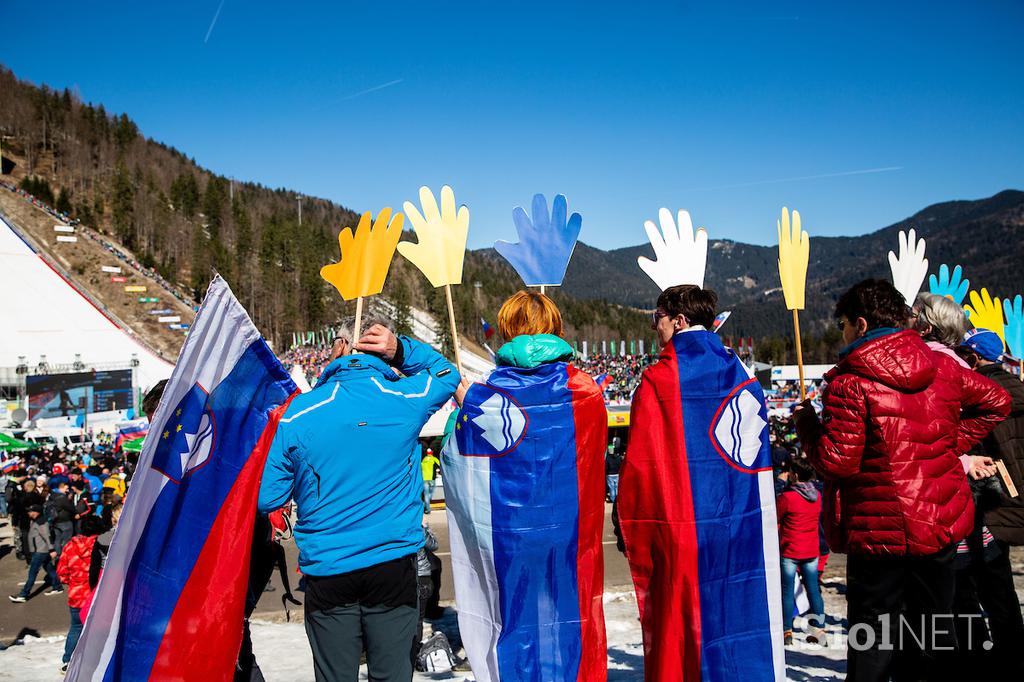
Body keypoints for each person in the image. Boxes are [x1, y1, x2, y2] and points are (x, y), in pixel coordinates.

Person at [793, 279, 1010, 681]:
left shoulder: (850, 382)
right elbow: (998, 401)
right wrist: (946, 446)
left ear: (860, 324)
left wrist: (806, 424)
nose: (841, 333)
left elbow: (836, 461)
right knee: (930, 636)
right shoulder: (943, 365)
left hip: (879, 535)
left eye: (842, 325)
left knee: (872, 642)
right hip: (938, 524)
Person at [259, 322, 459, 682]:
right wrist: (399, 349)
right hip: (392, 565)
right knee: (392, 674)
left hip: (328, 570)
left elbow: (269, 496)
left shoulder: (300, 411)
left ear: (338, 349)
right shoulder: (405, 399)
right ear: (376, 352)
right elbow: (446, 373)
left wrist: (325, 382)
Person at [616, 284, 782, 682]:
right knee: (730, 620)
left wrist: (628, 523)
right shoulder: (744, 375)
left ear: (679, 320)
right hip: (737, 525)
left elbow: (640, 463)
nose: (655, 327)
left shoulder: (659, 378)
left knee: (683, 631)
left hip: (682, 530)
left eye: (657, 318)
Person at [442, 290, 608, 681]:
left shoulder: (487, 393)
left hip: (509, 538)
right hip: (569, 534)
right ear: (555, 327)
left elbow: (457, 456)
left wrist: (465, 413)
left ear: (506, 330)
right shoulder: (585, 390)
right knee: (571, 621)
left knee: (511, 626)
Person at [950, 328, 1024, 676]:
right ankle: (1012, 653)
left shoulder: (981, 399)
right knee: (1001, 588)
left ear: (975, 358)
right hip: (1013, 501)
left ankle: (979, 658)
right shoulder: (1019, 389)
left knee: (972, 582)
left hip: (987, 501)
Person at [776, 456, 826, 646]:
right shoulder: (817, 496)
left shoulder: (787, 498)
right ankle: (819, 628)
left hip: (790, 550)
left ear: (795, 475)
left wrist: (779, 484)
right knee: (814, 590)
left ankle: (786, 630)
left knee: (787, 592)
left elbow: (775, 516)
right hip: (811, 550)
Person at [56, 515, 105, 672]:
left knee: (76, 628)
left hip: (76, 596)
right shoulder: (102, 545)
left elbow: (62, 573)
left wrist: (73, 582)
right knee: (98, 630)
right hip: (95, 595)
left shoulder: (70, 546)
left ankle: (68, 660)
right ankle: (95, 660)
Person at [9, 504, 63, 601]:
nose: (28, 512)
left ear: (36, 512)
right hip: (41, 550)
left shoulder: (41, 522)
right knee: (50, 569)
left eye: (30, 511)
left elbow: (47, 536)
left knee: (32, 573)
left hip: (40, 552)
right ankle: (58, 587)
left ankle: (23, 595)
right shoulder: (36, 520)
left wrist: (52, 549)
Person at [45, 480, 77, 558]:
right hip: (64, 520)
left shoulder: (52, 496)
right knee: (66, 539)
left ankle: (58, 554)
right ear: (61, 488)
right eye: (66, 488)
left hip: (55, 520)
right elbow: (71, 508)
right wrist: (75, 511)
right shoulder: (62, 497)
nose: (67, 490)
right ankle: (65, 555)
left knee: (57, 538)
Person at [420, 448, 439, 514]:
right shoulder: (434, 459)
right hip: (431, 480)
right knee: (430, 494)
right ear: (432, 453)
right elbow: (440, 466)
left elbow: (420, 469)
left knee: (426, 495)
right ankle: (427, 508)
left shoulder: (423, 460)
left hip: (424, 479)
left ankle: (426, 508)